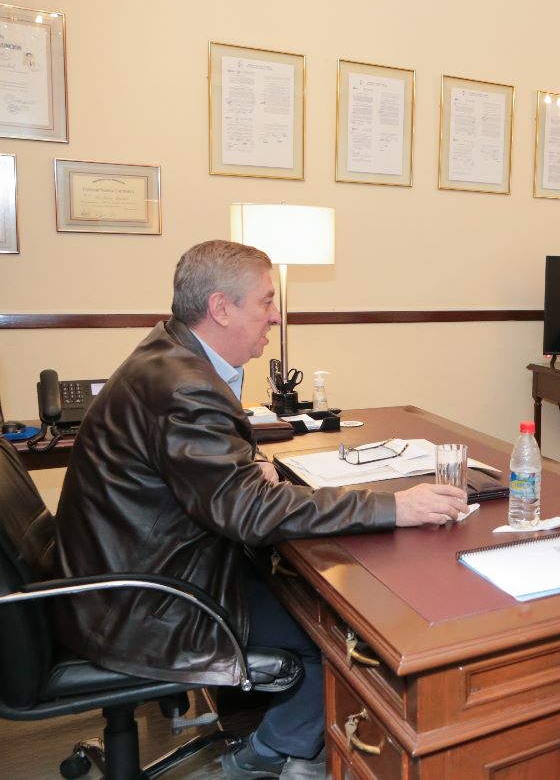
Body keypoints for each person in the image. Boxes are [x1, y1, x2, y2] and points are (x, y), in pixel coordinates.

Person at [54, 240, 470, 780]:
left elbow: (204, 477)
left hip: (124, 574)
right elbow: (248, 514)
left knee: (301, 587)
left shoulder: (169, 353)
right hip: (146, 602)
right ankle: (280, 757)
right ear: (221, 308)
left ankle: (275, 748)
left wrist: (245, 470)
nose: (275, 315)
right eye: (267, 301)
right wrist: (394, 506)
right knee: (340, 639)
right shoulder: (185, 387)